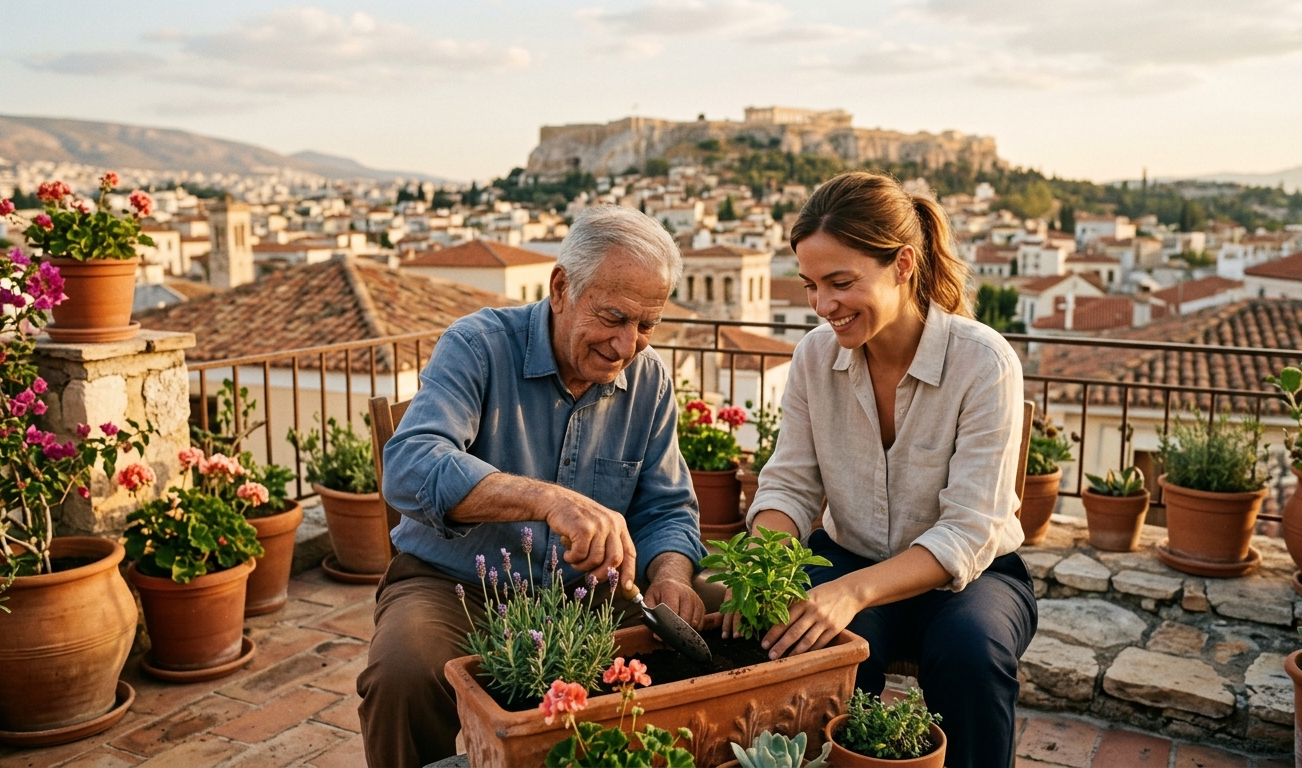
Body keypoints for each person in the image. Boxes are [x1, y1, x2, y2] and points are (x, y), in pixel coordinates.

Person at [358, 205, 707, 768]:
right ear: (562, 287)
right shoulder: (477, 345)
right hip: (460, 587)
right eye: (613, 318)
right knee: (403, 672)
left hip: (587, 594)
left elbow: (667, 505)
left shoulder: (650, 377)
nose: (627, 345)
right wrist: (547, 499)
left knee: (725, 620)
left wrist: (670, 574)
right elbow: (410, 463)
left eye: (646, 326)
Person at [731, 171, 1037, 768]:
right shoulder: (814, 359)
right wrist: (763, 568)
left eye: (841, 283)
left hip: (976, 578)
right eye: (811, 286)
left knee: (970, 654)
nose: (823, 307)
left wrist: (846, 592)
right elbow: (790, 485)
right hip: (851, 556)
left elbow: (970, 530)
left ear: (902, 264)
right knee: (812, 647)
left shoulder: (984, 362)